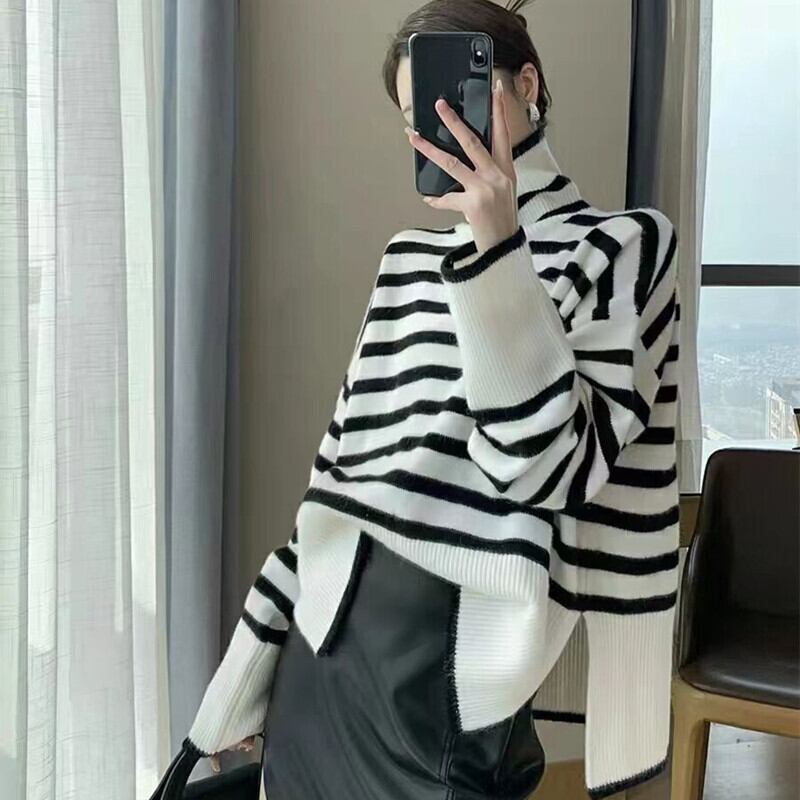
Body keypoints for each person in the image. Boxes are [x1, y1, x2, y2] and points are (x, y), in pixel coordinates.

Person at [179, 2, 681, 799]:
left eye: (458, 103)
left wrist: (497, 244)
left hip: (448, 678)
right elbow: (335, 481)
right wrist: (245, 669)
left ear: (526, 85)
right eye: (419, 121)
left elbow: (545, 467)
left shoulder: (623, 247)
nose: (439, 132)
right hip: (326, 643)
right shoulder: (407, 263)